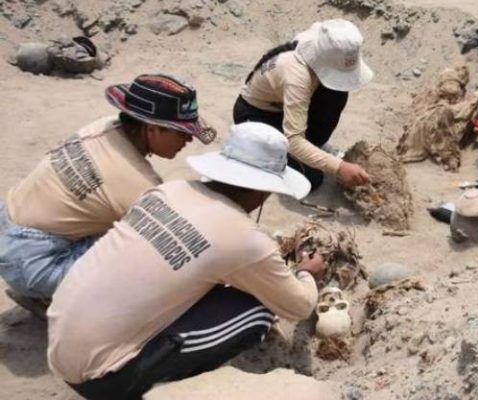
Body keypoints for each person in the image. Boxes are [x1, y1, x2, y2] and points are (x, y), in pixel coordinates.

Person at [47, 122, 325, 400]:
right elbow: (298, 307)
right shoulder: (244, 239)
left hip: (59, 345)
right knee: (257, 308)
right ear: (265, 190)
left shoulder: (170, 190)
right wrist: (306, 272)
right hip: (104, 379)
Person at [0, 74, 215, 312]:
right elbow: (177, 244)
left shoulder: (105, 127)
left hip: (8, 224)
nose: (188, 139)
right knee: (149, 259)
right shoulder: (137, 183)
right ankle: (57, 301)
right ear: (152, 129)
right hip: (33, 263)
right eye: (181, 132)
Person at [233, 18, 374, 191]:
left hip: (282, 106)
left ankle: (311, 147)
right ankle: (255, 153)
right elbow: (294, 141)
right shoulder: (297, 76)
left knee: (336, 93)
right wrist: (339, 167)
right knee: (310, 178)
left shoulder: (322, 41)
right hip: (256, 115)